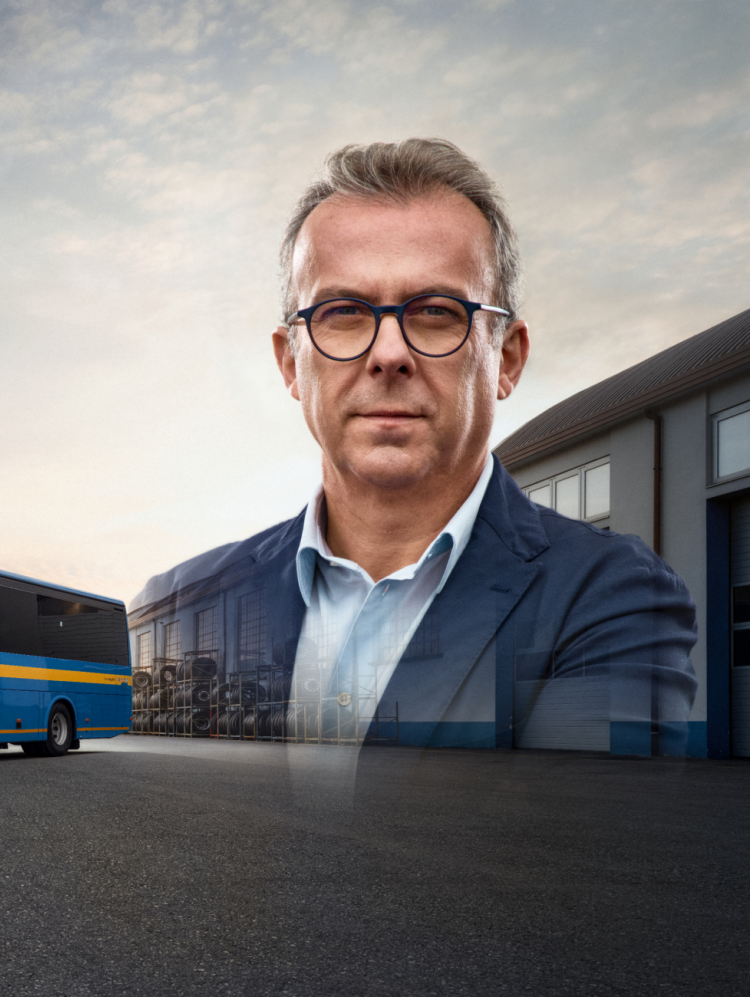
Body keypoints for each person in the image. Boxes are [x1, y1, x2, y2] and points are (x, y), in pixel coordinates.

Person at [131, 138, 697, 755]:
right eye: (344, 311)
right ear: (290, 363)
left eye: (435, 311)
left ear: (506, 359)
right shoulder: (177, 594)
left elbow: (580, 846)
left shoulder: (608, 597)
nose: (389, 354)